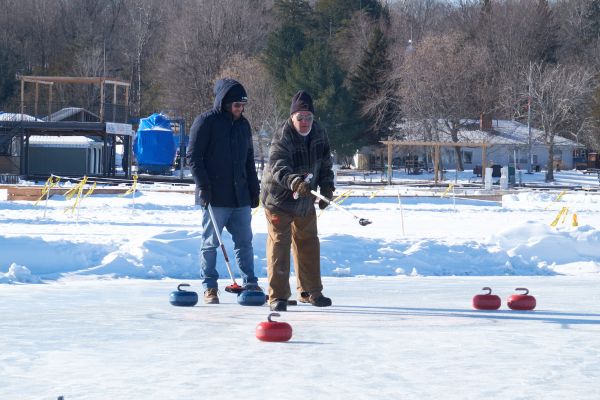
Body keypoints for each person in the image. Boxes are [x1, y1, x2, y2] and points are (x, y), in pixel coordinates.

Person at [187, 78, 261, 304]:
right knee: (210, 243)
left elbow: (248, 159)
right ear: (225, 103)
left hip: (240, 197)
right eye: (237, 105)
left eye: (242, 105)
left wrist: (254, 188)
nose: (241, 109)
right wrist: (204, 186)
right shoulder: (205, 122)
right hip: (215, 197)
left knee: (245, 242)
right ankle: (210, 286)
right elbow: (193, 157)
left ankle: (250, 282)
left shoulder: (243, 125)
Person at [260, 90, 335, 312]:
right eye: (300, 118)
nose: (304, 122)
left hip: (304, 198)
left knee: (308, 242)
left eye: (308, 117)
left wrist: (327, 188)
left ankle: (310, 291)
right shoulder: (283, 135)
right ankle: (278, 296)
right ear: (292, 117)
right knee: (279, 245)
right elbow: (278, 166)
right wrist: (294, 182)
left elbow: (326, 164)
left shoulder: (319, 133)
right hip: (279, 198)